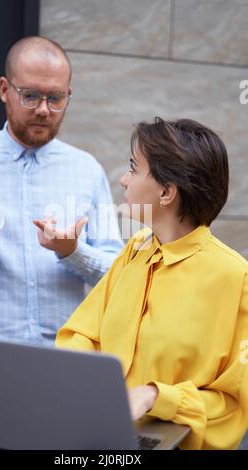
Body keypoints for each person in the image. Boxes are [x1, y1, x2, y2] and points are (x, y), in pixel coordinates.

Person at [0, 36, 123, 449]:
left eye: (55, 98)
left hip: (66, 364)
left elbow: (118, 274)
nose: (44, 109)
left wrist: (73, 254)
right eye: (30, 96)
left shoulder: (86, 169)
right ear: (4, 90)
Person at [56, 117, 248, 450]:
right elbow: (83, 333)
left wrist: (156, 396)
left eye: (134, 168)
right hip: (100, 437)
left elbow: (234, 404)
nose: (123, 179)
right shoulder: (136, 250)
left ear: (166, 192)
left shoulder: (235, 277)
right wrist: (83, 384)